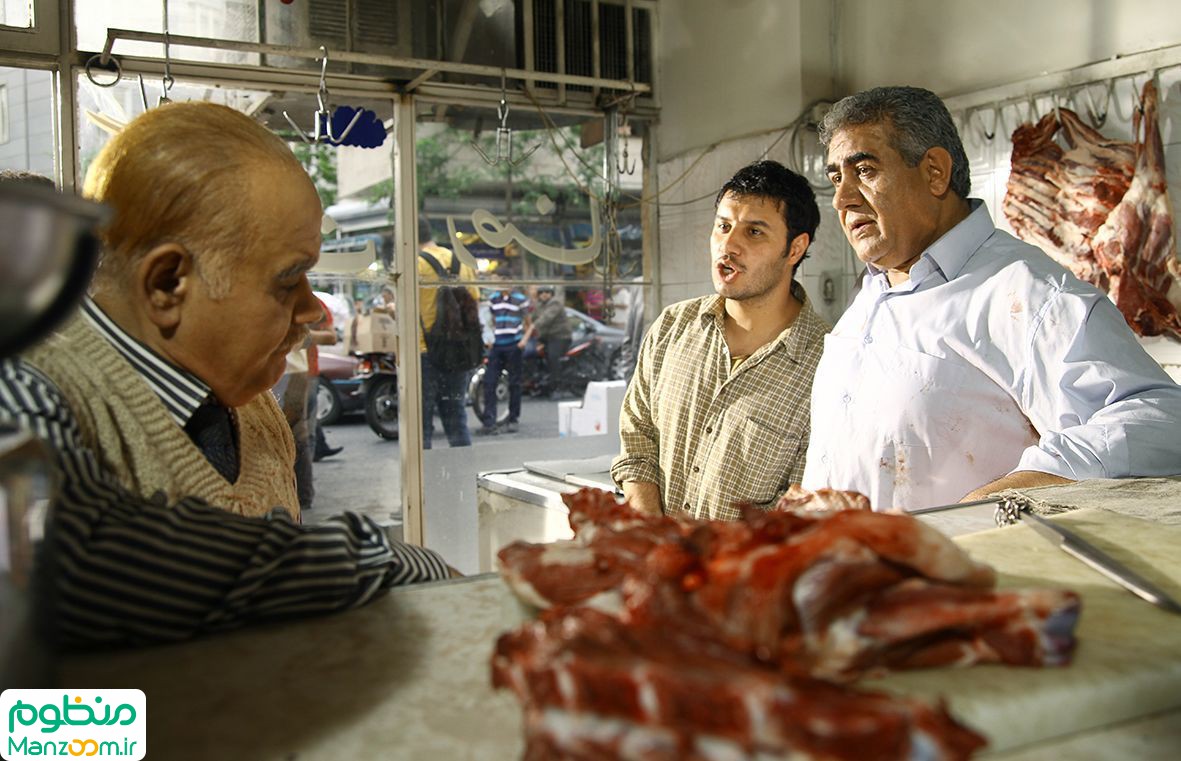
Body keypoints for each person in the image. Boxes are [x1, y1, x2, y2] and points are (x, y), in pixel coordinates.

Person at [0, 102, 450, 647]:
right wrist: (383, 562)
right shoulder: (30, 390)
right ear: (168, 285)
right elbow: (72, 559)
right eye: (289, 282)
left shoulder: (254, 408)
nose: (314, 312)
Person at [802, 86, 1181, 511]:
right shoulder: (871, 295)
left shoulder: (1027, 293)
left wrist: (1008, 494)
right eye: (837, 178)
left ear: (935, 172)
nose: (842, 199)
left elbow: (1163, 417)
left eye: (865, 171)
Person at [611, 160, 830, 520]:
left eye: (754, 232)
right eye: (723, 226)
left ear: (794, 249)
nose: (728, 245)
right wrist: (653, 536)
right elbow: (637, 441)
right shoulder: (672, 327)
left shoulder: (826, 363)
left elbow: (802, 503)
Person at [418, 216, 479, 448]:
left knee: (421, 425)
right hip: (457, 350)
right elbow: (474, 301)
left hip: (424, 351)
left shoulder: (415, 264)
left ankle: (424, 482)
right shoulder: (460, 261)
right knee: (456, 420)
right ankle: (463, 477)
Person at [478, 282, 532, 435]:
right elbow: (490, 320)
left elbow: (529, 323)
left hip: (514, 344)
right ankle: (489, 421)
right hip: (497, 345)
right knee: (489, 382)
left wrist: (523, 341)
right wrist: (489, 337)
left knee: (514, 383)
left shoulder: (520, 299)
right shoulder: (493, 299)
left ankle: (513, 419)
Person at [531, 285, 572, 397]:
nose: (544, 294)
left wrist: (533, 326)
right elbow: (531, 317)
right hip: (546, 337)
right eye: (541, 292)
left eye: (547, 292)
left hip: (560, 336)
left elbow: (545, 319)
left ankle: (557, 388)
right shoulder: (539, 305)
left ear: (551, 294)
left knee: (553, 358)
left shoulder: (555, 303)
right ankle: (540, 385)